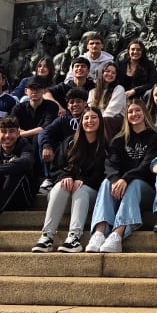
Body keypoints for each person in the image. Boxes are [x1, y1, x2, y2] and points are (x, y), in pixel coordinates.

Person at [86, 100, 157, 253]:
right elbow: (110, 164)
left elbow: (147, 166)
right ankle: (100, 232)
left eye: (138, 110)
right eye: (131, 112)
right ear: (126, 116)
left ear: (145, 113)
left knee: (134, 184)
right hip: (121, 188)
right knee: (106, 183)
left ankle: (117, 234)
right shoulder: (119, 139)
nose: (134, 114)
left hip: (145, 189)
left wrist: (125, 178)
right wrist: (115, 179)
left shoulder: (154, 137)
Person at [31, 107, 107, 252]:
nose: (89, 121)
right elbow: (55, 168)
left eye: (94, 117)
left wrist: (84, 180)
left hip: (90, 194)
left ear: (100, 121)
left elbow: (104, 174)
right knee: (60, 185)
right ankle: (47, 236)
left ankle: (74, 238)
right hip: (65, 193)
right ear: (81, 121)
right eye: (86, 118)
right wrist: (65, 177)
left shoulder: (106, 145)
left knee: (81, 190)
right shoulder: (70, 142)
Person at [37, 85, 90, 193]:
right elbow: (44, 133)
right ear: (67, 105)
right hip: (67, 154)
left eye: (78, 101)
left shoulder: (90, 117)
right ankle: (50, 178)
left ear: (85, 103)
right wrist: (46, 146)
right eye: (71, 102)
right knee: (46, 141)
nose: (75, 104)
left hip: (87, 154)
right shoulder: (63, 119)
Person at [90, 60, 126, 141]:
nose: (110, 74)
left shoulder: (119, 89)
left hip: (115, 121)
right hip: (99, 121)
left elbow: (111, 112)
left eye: (113, 73)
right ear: (102, 73)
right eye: (107, 71)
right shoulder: (92, 92)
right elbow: (90, 110)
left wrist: (97, 120)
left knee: (105, 120)